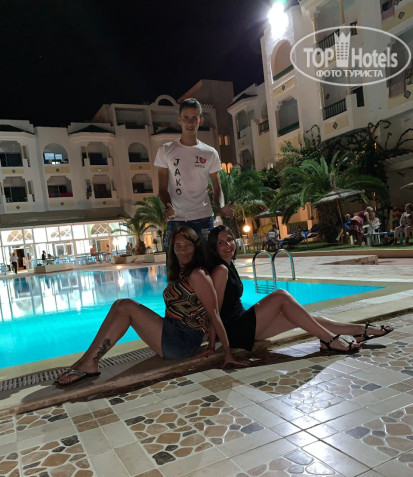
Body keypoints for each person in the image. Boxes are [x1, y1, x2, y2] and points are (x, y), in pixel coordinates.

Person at [56, 226, 248, 386]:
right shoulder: (182, 272)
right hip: (172, 331)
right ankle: (86, 360)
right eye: (178, 246)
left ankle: (90, 362)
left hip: (183, 341)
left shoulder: (198, 274)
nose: (183, 250)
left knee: (126, 306)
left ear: (196, 247)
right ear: (172, 250)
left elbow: (214, 314)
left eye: (188, 245)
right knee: (119, 304)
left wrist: (225, 352)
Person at [205, 226, 393, 356]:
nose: (228, 245)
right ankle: (330, 340)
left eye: (229, 239)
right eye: (221, 243)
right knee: (280, 295)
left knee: (307, 319)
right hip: (235, 330)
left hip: (244, 327)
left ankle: (360, 330)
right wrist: (213, 345)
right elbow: (214, 311)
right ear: (214, 247)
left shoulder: (229, 265)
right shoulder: (221, 270)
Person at [155, 98, 235, 253]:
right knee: (176, 267)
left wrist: (221, 207)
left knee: (207, 263)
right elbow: (162, 189)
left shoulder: (210, 153)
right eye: (186, 117)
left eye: (194, 117)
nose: (190, 122)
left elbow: (217, 187)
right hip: (177, 220)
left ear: (201, 120)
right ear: (179, 120)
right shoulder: (165, 150)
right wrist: (168, 207)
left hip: (204, 219)